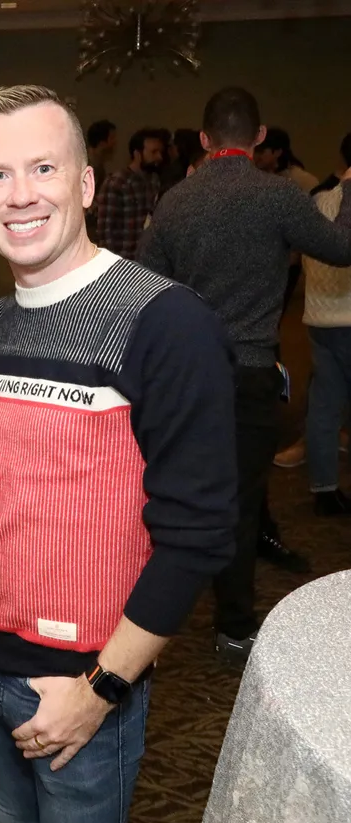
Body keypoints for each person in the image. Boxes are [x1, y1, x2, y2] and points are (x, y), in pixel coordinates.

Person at [0, 84, 236, 823]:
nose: (20, 195)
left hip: (81, 678)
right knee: (10, 822)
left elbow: (199, 533)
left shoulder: (164, 321)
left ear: (84, 185)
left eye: (43, 169)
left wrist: (103, 687)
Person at [137, 87, 351, 661]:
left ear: (204, 139)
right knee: (240, 501)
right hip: (252, 373)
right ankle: (233, 626)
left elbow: (142, 285)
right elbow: (341, 248)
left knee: (181, 495)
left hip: (187, 376)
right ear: (258, 137)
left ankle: (149, 621)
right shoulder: (279, 196)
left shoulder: (176, 201)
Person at [303, 179, 351, 515]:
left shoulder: (317, 200)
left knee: (323, 408)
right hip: (348, 314)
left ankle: (324, 489)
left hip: (319, 316)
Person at [95, 127, 164, 259]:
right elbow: (106, 233)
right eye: (153, 152)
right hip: (123, 261)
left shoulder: (154, 181)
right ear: (137, 154)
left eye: (160, 152)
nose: (159, 157)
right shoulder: (117, 183)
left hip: (147, 261)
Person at [85, 119, 117, 242]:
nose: (115, 142)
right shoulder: (85, 163)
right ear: (102, 141)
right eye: (112, 138)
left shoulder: (99, 164)